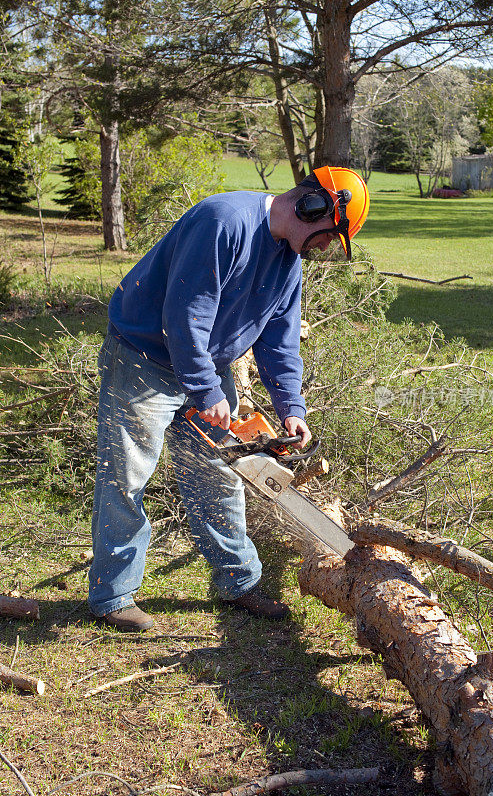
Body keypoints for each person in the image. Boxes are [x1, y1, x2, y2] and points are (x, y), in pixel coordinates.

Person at [88, 165, 370, 630]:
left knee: (218, 476)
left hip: (205, 366)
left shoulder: (288, 262)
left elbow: (280, 342)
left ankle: (238, 582)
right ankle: (113, 595)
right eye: (328, 236)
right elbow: (184, 316)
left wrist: (291, 408)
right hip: (146, 358)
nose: (323, 248)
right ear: (313, 206)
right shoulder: (225, 222)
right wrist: (206, 390)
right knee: (126, 477)